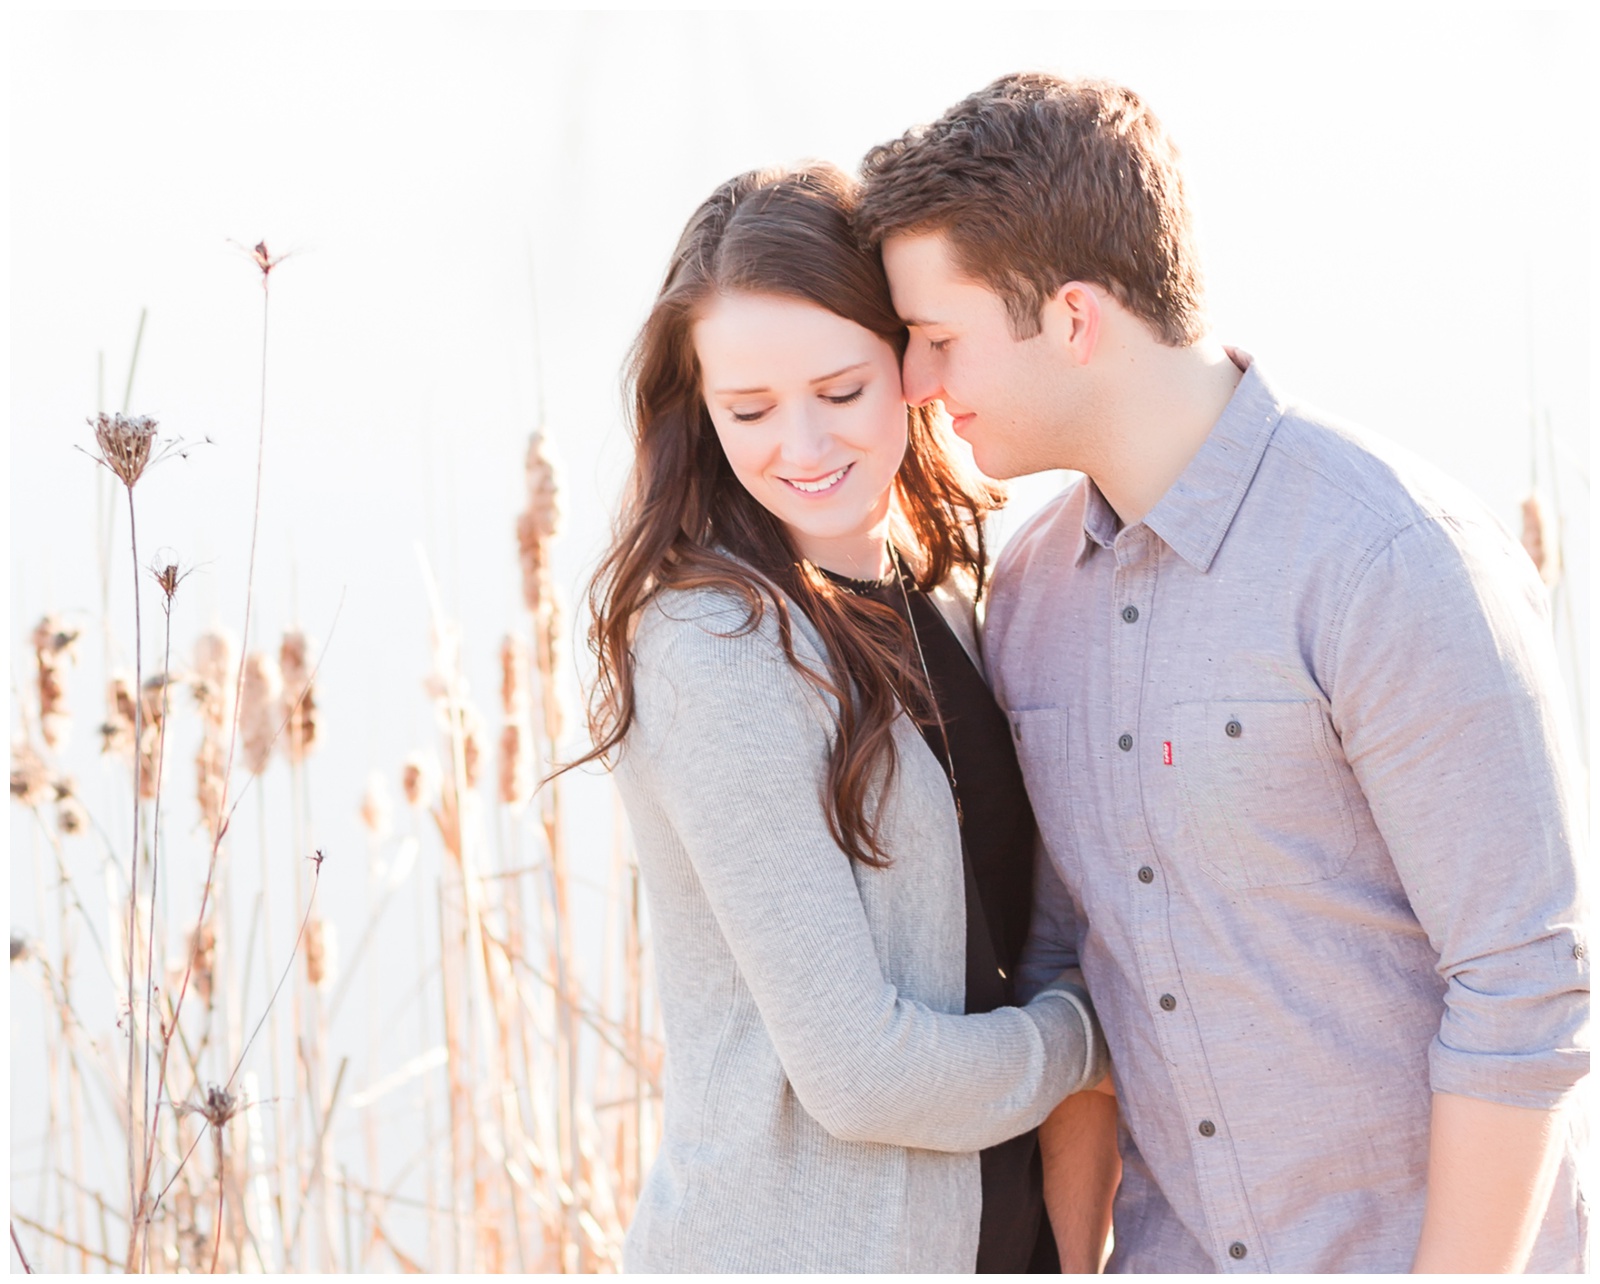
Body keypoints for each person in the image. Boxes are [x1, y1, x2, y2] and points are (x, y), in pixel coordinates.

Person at [857, 73, 1591, 1273]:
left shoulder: (1387, 561)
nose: (917, 386)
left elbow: (1521, 994)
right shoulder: (1030, 596)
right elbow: (1064, 973)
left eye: (939, 339)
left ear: (1075, 319)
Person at [579, 162, 1112, 1273]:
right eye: (751, 409)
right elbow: (856, 1073)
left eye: (840, 390)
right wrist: (1088, 1040)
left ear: (911, 363)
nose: (805, 449)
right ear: (698, 408)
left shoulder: (944, 597)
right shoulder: (713, 647)